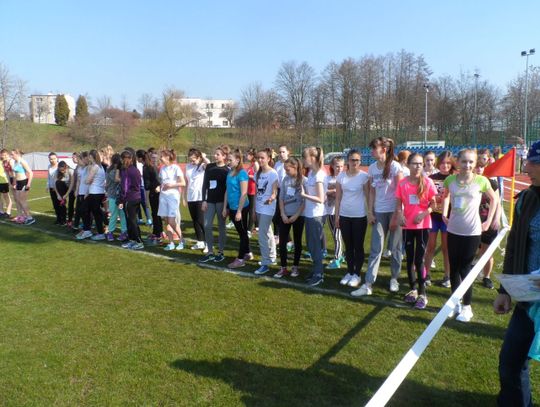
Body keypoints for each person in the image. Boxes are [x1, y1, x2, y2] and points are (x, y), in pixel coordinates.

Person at [494, 140, 540, 406]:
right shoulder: (526, 199)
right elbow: (513, 246)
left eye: (533, 163)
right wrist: (505, 290)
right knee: (510, 363)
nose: (527, 168)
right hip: (528, 300)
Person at [442, 149, 498, 322]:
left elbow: (494, 199)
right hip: (453, 230)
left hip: (472, 232)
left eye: (471, 162)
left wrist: (488, 221)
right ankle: (454, 303)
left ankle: (467, 307)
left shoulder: (481, 180)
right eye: (464, 161)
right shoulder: (450, 180)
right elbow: (446, 196)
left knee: (465, 269)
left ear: (475, 164)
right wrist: (444, 214)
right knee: (454, 268)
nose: (467, 165)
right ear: (457, 162)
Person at [360, 137, 403, 296]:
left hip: (394, 211)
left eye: (374, 148)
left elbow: (400, 192)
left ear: (383, 150)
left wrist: (397, 214)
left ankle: (394, 278)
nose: (371, 151)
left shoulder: (395, 166)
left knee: (396, 248)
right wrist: (370, 211)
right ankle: (368, 282)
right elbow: (371, 191)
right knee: (376, 248)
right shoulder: (372, 168)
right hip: (378, 211)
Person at [394, 153, 437, 309]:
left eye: (420, 163)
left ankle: (423, 293)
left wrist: (424, 214)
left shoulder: (427, 182)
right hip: (407, 226)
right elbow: (398, 204)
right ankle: (413, 289)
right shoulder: (402, 183)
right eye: (415, 163)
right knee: (410, 259)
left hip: (423, 226)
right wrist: (400, 215)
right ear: (408, 165)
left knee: (419, 260)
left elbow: (434, 204)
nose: (418, 166)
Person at [333, 149, 369, 290]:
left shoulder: (364, 177)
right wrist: (337, 216)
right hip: (344, 216)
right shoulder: (341, 176)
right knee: (348, 246)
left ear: (360, 161)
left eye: (357, 160)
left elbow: (368, 196)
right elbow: (338, 198)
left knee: (358, 246)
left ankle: (357, 274)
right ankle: (349, 272)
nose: (355, 162)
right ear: (348, 161)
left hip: (359, 216)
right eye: (352, 160)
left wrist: (370, 213)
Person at [423, 151, 454, 288]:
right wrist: (433, 199)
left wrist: (446, 199)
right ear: (438, 163)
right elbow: (425, 196)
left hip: (448, 218)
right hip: (433, 217)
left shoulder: (455, 178)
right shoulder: (431, 178)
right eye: (442, 163)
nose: (445, 166)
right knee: (430, 247)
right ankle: (426, 275)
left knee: (447, 248)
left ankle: (447, 276)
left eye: (448, 163)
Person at [274, 156, 305, 279]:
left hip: (298, 216)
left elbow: (304, 201)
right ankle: (283, 267)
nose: (286, 171)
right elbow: (281, 198)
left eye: (288, 169)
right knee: (282, 242)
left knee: (297, 241)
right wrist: (282, 214)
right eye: (285, 169)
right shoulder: (285, 179)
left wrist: (296, 215)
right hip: (285, 215)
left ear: (295, 167)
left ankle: (295, 266)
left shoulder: (304, 180)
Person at [301, 146, 327, 286]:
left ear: (312, 158)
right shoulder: (311, 173)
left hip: (317, 215)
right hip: (310, 213)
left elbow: (321, 199)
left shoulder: (319, 175)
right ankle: (316, 269)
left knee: (315, 245)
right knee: (311, 245)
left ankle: (319, 274)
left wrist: (303, 194)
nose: (303, 160)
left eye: (304, 157)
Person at [476, 149, 503, 290]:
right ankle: (468, 272)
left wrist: (496, 218)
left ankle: (486, 277)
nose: (479, 168)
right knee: (474, 249)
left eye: (482, 165)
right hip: (473, 221)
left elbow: (497, 202)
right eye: (477, 165)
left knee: (487, 251)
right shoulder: (469, 181)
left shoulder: (492, 183)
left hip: (488, 219)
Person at [200, 145, 230, 263]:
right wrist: (204, 200)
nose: (215, 156)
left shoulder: (227, 170)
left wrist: (226, 207)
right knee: (207, 225)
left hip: (221, 202)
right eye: (215, 154)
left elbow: (228, 189)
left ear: (224, 156)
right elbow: (205, 184)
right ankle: (210, 252)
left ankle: (220, 252)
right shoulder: (209, 167)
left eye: (218, 154)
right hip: (210, 201)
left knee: (221, 226)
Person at [222, 149, 252, 268]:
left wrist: (239, 211)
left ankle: (240, 259)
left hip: (241, 208)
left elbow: (244, 193)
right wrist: (225, 207)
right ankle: (248, 253)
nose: (228, 162)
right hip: (232, 207)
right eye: (228, 160)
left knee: (243, 233)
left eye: (230, 160)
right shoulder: (230, 172)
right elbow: (227, 191)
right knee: (241, 232)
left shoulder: (242, 173)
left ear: (238, 160)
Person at [254, 148, 278, 275]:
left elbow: (275, 192)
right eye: (258, 158)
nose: (260, 160)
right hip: (259, 207)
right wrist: (254, 209)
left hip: (268, 208)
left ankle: (265, 263)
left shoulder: (273, 173)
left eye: (262, 158)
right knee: (268, 232)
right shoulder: (257, 173)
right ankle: (272, 256)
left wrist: (271, 198)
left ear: (269, 159)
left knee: (262, 235)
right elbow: (256, 192)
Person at [158, 149, 186, 251]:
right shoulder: (162, 168)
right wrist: (159, 187)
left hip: (173, 197)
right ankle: (171, 243)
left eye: (162, 156)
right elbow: (162, 182)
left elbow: (183, 183)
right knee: (166, 221)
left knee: (171, 220)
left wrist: (171, 185)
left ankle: (182, 240)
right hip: (163, 196)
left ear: (168, 157)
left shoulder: (175, 168)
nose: (160, 158)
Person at [118, 149, 144, 250]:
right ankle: (132, 240)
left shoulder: (128, 171)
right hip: (134, 198)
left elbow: (125, 187)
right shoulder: (130, 170)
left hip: (130, 199)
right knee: (130, 220)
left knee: (132, 221)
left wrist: (121, 200)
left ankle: (139, 241)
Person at [185, 148, 209, 252]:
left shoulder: (203, 166)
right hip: (191, 197)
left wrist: (204, 157)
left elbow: (209, 165)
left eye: (194, 160)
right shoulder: (188, 166)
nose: (192, 162)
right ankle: (200, 242)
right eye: (190, 160)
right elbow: (187, 182)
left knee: (201, 220)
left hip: (200, 197)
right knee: (195, 220)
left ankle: (208, 243)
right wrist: (184, 196)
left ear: (199, 158)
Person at [325, 156, 345, 270]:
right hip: (330, 211)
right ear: (332, 166)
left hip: (341, 212)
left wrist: (336, 192)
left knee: (337, 235)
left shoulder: (345, 178)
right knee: (335, 235)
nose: (340, 168)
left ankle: (337, 258)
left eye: (342, 166)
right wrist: (333, 191)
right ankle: (340, 254)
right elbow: (323, 191)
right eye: (337, 166)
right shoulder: (328, 178)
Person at [104, 153, 128, 241]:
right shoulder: (111, 171)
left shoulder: (119, 170)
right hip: (113, 196)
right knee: (114, 214)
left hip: (120, 196)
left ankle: (124, 231)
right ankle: (110, 232)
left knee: (122, 214)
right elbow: (116, 180)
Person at [142, 150, 163, 245]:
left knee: (156, 214)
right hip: (153, 193)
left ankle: (158, 234)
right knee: (155, 213)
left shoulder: (151, 167)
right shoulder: (148, 167)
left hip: (155, 193)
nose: (154, 159)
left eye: (155, 158)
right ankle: (157, 232)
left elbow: (157, 181)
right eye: (152, 158)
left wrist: (157, 186)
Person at [11, 149, 35, 225]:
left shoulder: (22, 161)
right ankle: (22, 216)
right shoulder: (15, 162)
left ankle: (30, 218)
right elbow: (15, 174)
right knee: (18, 200)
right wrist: (15, 183)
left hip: (24, 182)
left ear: (17, 154)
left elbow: (31, 173)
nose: (11, 156)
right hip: (18, 183)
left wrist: (29, 184)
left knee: (22, 201)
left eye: (12, 154)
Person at [53, 160, 75, 226]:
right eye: (60, 170)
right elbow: (55, 184)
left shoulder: (71, 171)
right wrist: (58, 195)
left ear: (66, 167)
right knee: (61, 202)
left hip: (72, 189)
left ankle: (70, 220)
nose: (62, 171)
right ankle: (63, 219)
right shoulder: (57, 171)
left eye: (63, 170)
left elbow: (72, 184)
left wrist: (66, 194)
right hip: (63, 187)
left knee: (71, 204)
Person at [245, 148, 259, 236]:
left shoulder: (256, 164)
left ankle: (249, 230)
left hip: (254, 190)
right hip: (249, 189)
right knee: (252, 208)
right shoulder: (250, 164)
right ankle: (257, 226)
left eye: (248, 154)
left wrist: (249, 176)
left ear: (252, 155)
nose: (246, 156)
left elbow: (258, 177)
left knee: (251, 210)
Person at [46, 152, 62, 224]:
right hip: (52, 188)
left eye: (54, 158)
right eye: (51, 159)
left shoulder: (59, 166)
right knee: (55, 204)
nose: (52, 160)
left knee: (61, 204)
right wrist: (47, 186)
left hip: (59, 188)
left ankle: (63, 219)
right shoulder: (49, 166)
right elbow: (48, 177)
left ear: (57, 158)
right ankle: (58, 218)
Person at [0, 149, 12, 217]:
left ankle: (8, 212)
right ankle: (1, 211)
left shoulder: (5, 162)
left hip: (4, 182)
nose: (2, 156)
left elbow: (9, 172)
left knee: (6, 197)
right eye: (2, 155)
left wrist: (10, 182)